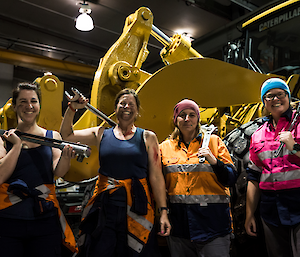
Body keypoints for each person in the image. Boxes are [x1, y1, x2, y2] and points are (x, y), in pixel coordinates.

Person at [60, 88, 171, 257]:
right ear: (116, 108)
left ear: (137, 110)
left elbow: (156, 176)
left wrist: (163, 211)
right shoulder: (101, 133)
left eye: (131, 104)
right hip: (105, 205)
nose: (126, 106)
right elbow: (66, 135)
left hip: (136, 206)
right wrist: (72, 108)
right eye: (122, 103)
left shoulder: (148, 137)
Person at [0, 82, 77, 257]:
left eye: (33, 101)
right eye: (22, 102)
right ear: (14, 106)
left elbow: (58, 172)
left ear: (39, 105)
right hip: (9, 219)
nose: (29, 106)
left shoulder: (53, 137)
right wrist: (17, 145)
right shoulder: (3, 139)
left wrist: (66, 157)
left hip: (44, 219)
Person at [159, 99, 237, 257]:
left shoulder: (214, 142)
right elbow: (159, 184)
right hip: (179, 227)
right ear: (175, 119)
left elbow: (230, 178)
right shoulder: (164, 148)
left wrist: (214, 161)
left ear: (198, 118)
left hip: (213, 226)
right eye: (182, 115)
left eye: (192, 115)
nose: (187, 119)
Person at [245, 77, 300, 257]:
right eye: (269, 96)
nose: (275, 99)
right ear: (264, 102)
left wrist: (295, 147)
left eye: (280, 94)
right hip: (271, 209)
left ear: (288, 96)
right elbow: (253, 177)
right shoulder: (257, 135)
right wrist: (249, 215)